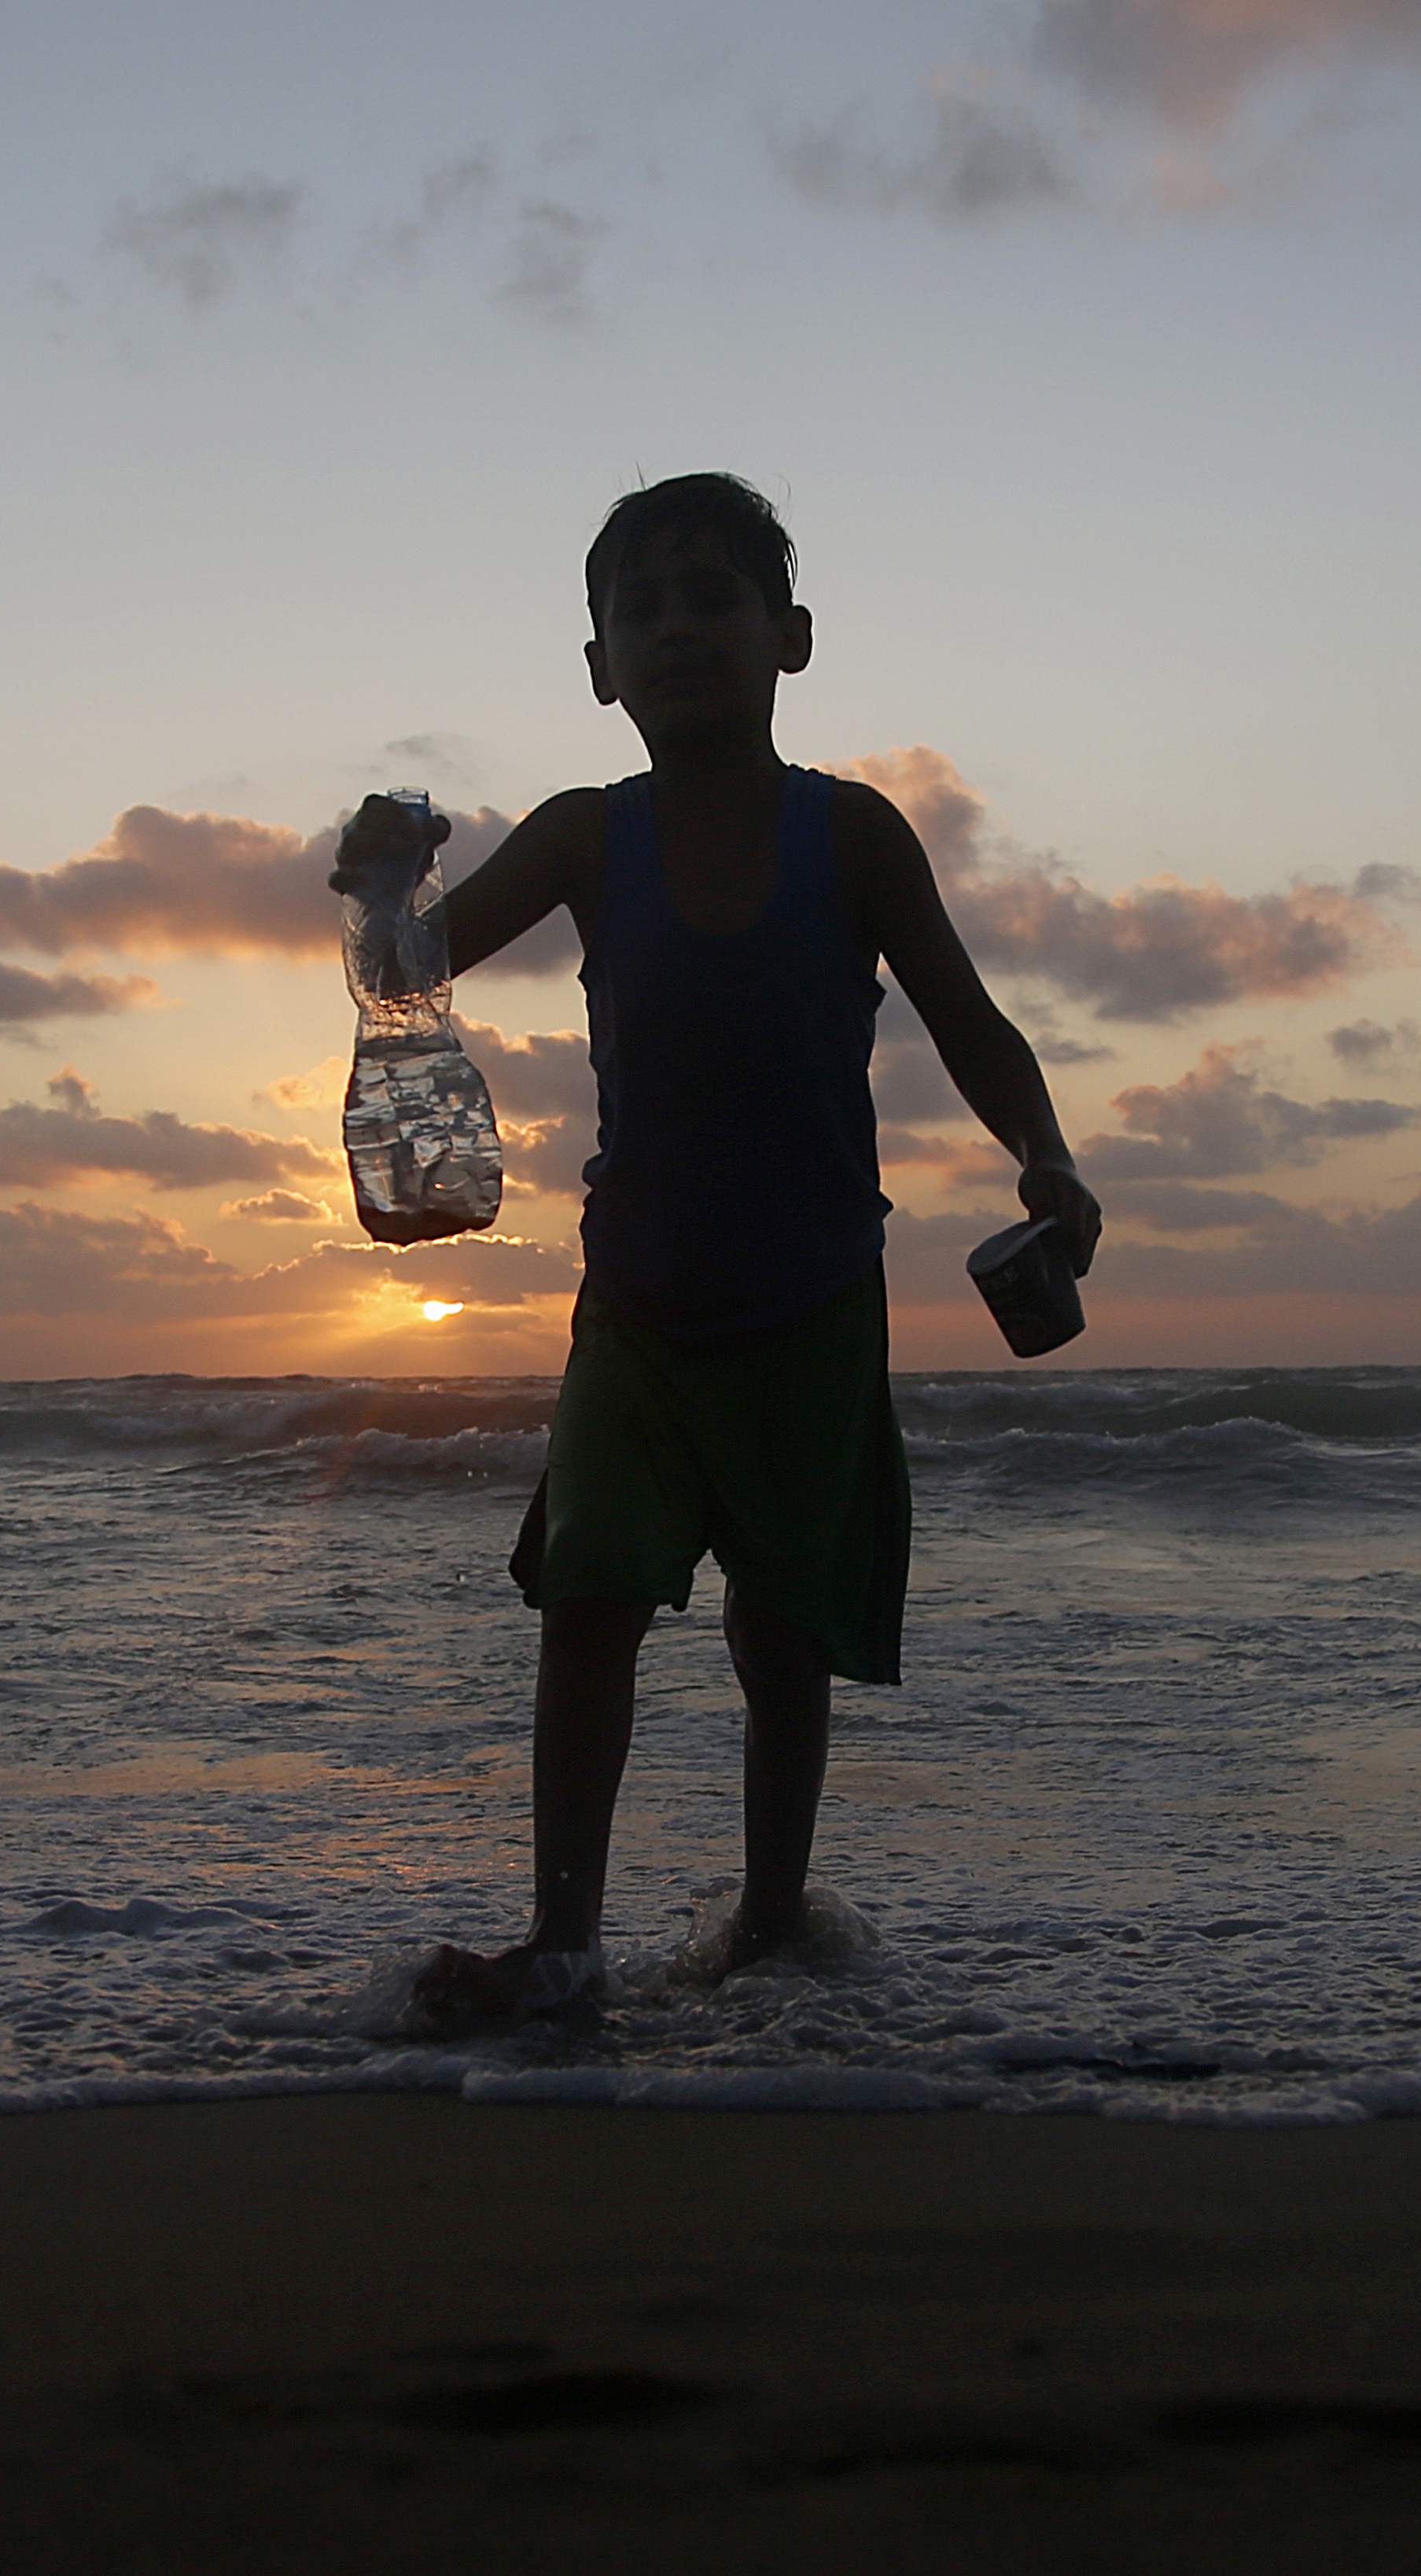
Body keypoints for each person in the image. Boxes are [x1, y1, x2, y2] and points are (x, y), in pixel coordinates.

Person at [333, 474, 1099, 2028]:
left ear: (789, 639)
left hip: (813, 1303)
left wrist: (1048, 1158)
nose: (678, 627)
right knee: (590, 1601)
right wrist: (381, 887)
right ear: (602, 666)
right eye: (642, 609)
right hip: (638, 1307)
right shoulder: (583, 839)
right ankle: (564, 1942)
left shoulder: (857, 835)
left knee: (784, 1624)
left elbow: (971, 1020)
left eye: (713, 598)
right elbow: (405, 976)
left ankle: (766, 1916)